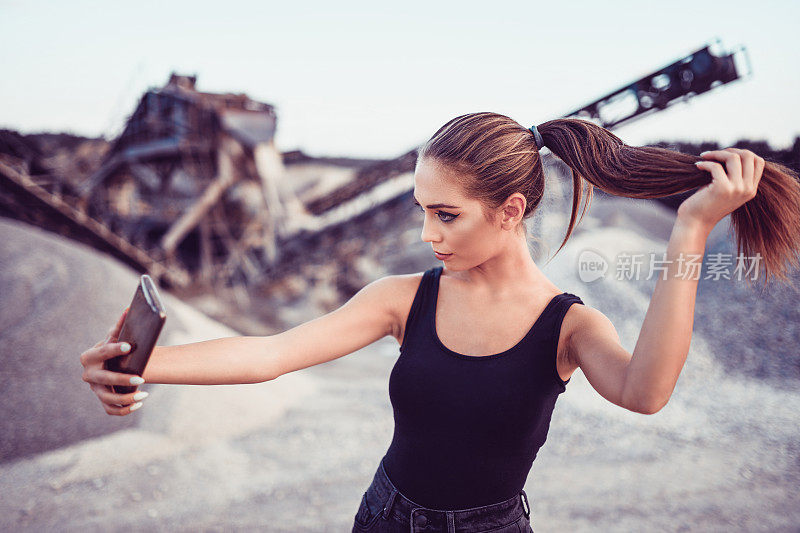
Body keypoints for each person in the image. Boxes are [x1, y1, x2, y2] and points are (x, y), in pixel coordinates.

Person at [80, 113, 800, 532]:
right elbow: (273, 351)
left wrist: (692, 233)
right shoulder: (404, 297)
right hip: (384, 513)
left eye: (445, 213)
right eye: (423, 210)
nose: (428, 232)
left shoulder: (568, 325)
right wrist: (142, 362)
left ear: (511, 211)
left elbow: (646, 392)